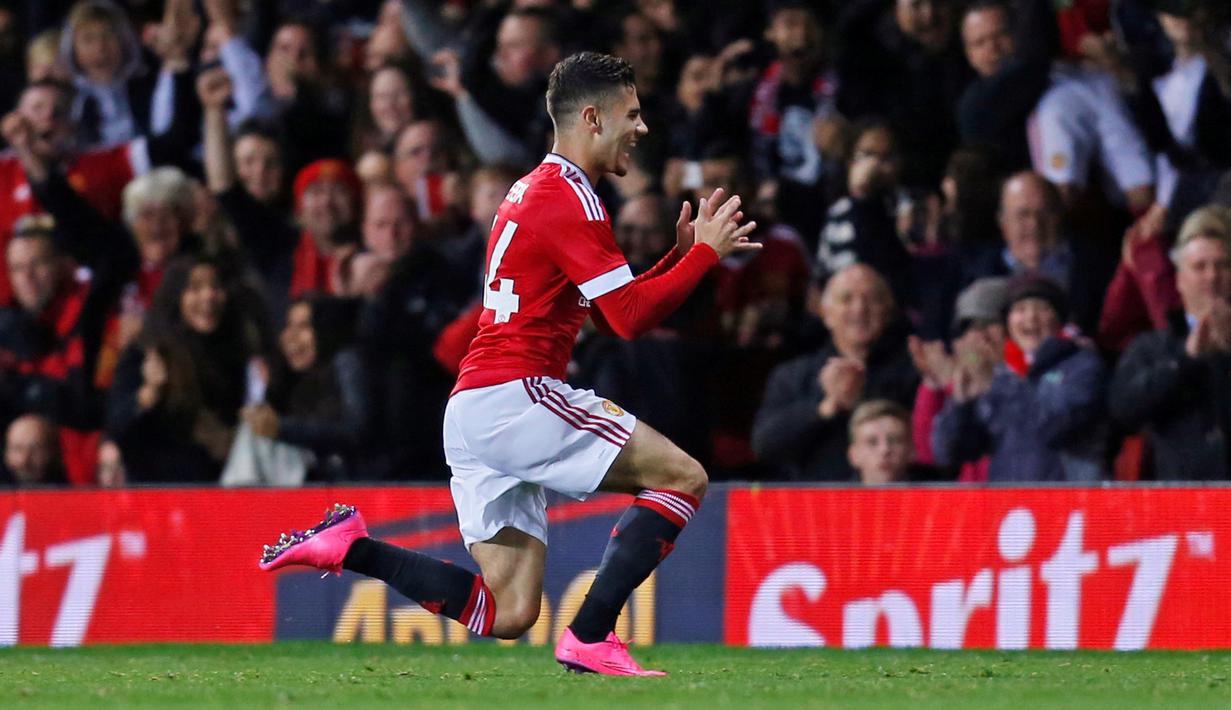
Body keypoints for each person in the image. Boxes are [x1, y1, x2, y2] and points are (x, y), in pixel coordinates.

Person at [260, 52, 758, 676]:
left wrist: (676, 261)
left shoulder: (534, 189)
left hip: (475, 407)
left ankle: (351, 547)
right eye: (632, 114)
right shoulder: (570, 198)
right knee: (682, 478)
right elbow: (629, 321)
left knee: (510, 610)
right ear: (592, 118)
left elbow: (610, 313)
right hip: (519, 395)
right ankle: (591, 635)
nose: (643, 128)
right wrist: (705, 257)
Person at [932, 274, 1108, 481]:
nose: (1030, 317)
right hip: (1011, 506)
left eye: (1042, 308)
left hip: (1070, 503)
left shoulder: (1081, 366)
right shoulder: (1000, 374)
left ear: (1059, 320)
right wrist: (961, 402)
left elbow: (1052, 427)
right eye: (1020, 309)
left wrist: (1000, 384)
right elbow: (949, 453)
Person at [750, 264, 918, 481]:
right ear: (826, 313)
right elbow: (764, 445)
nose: (859, 309)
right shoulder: (793, 375)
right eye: (847, 299)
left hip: (895, 506)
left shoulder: (911, 372)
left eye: (872, 299)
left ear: (887, 311)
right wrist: (825, 407)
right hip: (814, 507)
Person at [1110, 204, 1231, 479]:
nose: (1212, 277)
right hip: (1181, 507)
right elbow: (1123, 410)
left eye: (1222, 265)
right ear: (1179, 279)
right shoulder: (1152, 347)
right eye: (1200, 267)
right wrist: (1184, 360)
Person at [847, 399, 915, 485]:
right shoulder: (834, 497)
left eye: (894, 440)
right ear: (853, 455)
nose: (884, 450)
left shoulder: (935, 492)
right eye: (872, 442)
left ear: (911, 450)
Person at [1, 414, 66, 486]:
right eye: (17, 449)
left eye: (35, 449)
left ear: (53, 451)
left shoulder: (72, 488)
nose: (24, 460)